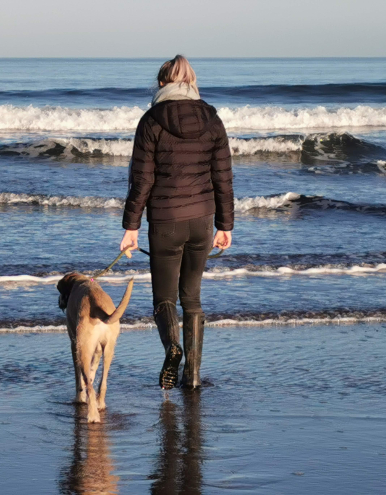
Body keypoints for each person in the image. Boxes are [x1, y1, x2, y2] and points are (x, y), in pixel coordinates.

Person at [119, 55, 234, 390]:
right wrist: (225, 225)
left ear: (161, 84)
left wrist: (131, 227)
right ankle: (193, 377)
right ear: (192, 82)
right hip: (201, 219)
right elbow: (222, 177)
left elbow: (141, 180)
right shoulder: (212, 119)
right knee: (193, 299)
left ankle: (172, 347)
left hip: (165, 221)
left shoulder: (152, 120)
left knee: (164, 299)